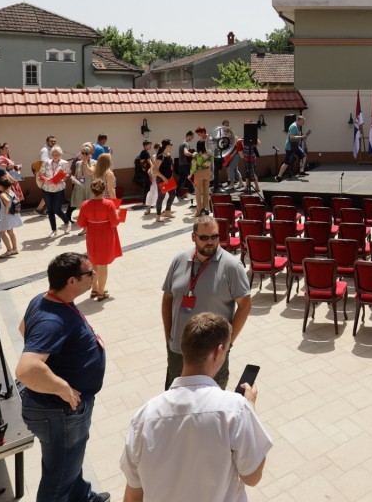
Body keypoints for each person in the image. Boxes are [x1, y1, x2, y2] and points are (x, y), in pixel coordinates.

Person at [121, 313, 271, 502]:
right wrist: (251, 409)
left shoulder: (143, 417)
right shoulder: (236, 409)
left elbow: (133, 495)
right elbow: (252, 476)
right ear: (218, 352)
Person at [15, 253, 110, 502]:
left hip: (63, 410)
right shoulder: (53, 321)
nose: (95, 275)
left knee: (70, 461)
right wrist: (62, 388)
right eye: (89, 273)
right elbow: (25, 369)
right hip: (61, 412)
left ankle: (82, 497)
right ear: (71, 281)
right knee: (58, 477)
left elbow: (23, 328)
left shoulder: (44, 300)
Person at [161, 216, 251, 390]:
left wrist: (227, 344)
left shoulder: (232, 267)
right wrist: (169, 338)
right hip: (178, 352)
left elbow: (245, 305)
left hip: (212, 356)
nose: (210, 242)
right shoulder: (179, 260)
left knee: (210, 403)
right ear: (193, 237)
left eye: (215, 236)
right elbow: (167, 299)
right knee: (176, 401)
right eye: (204, 237)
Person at [77, 179, 122, 300]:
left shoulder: (85, 204)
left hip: (92, 236)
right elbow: (114, 222)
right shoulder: (109, 204)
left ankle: (94, 289)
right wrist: (118, 213)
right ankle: (101, 292)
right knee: (103, 265)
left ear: (92, 190)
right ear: (104, 190)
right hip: (106, 236)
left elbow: (81, 223)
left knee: (94, 263)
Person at [38, 146, 69, 237]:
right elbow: (41, 174)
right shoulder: (46, 162)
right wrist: (45, 179)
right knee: (50, 210)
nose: (55, 156)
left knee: (57, 209)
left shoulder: (64, 163)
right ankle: (54, 230)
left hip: (59, 189)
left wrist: (61, 180)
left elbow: (66, 176)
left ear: (61, 154)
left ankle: (67, 222)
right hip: (47, 188)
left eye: (57, 154)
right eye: (53, 154)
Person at [65, 143, 95, 235]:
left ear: (90, 154)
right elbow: (76, 175)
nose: (84, 155)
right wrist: (73, 179)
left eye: (86, 153)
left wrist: (85, 163)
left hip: (90, 189)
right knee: (83, 210)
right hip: (80, 188)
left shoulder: (94, 162)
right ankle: (85, 228)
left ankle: (91, 227)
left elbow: (90, 172)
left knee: (90, 210)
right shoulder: (78, 163)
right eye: (83, 153)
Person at [0, 175, 23, 257]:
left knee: (1, 233)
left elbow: (7, 201)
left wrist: (7, 210)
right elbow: (17, 200)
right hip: (12, 215)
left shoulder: (2, 194)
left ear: (1, 186)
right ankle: (15, 249)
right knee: (10, 232)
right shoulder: (11, 191)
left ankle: (9, 250)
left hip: (6, 216)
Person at [274, 115, 306, 182]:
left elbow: (296, 136)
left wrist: (302, 138)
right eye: (302, 122)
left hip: (295, 146)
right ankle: (279, 176)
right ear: (299, 120)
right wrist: (301, 137)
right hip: (290, 147)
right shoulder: (294, 126)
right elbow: (291, 137)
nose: (303, 124)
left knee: (303, 156)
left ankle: (301, 171)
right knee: (287, 162)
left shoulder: (298, 126)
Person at [152, 140, 178, 222]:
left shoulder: (168, 155)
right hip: (162, 179)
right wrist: (163, 178)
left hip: (169, 179)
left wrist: (170, 177)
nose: (171, 146)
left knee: (173, 194)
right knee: (161, 197)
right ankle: (158, 216)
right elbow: (154, 170)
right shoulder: (161, 156)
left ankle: (167, 211)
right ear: (166, 145)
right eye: (171, 144)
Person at [34, 135, 58, 215]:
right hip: (45, 175)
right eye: (51, 141)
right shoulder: (45, 150)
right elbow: (45, 161)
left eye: (54, 141)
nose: (53, 142)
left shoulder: (51, 150)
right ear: (47, 142)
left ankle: (40, 209)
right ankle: (40, 209)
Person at [190, 139, 213, 213]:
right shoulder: (210, 153)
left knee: (198, 193)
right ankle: (206, 209)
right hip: (207, 172)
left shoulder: (196, 154)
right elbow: (211, 164)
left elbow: (193, 166)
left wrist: (190, 174)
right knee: (206, 192)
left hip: (198, 173)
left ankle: (199, 210)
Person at [134, 139, 153, 204]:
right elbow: (149, 162)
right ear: (145, 146)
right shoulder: (145, 152)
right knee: (147, 187)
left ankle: (146, 201)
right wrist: (153, 168)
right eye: (149, 145)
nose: (150, 146)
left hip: (144, 173)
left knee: (147, 188)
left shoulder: (143, 152)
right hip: (145, 173)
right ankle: (146, 201)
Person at [177, 130, 195, 200]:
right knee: (190, 178)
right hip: (185, 165)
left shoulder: (181, 143)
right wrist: (193, 155)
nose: (191, 139)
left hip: (181, 165)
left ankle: (177, 194)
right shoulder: (186, 144)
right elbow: (186, 153)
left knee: (181, 180)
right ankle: (192, 192)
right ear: (189, 135)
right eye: (191, 137)